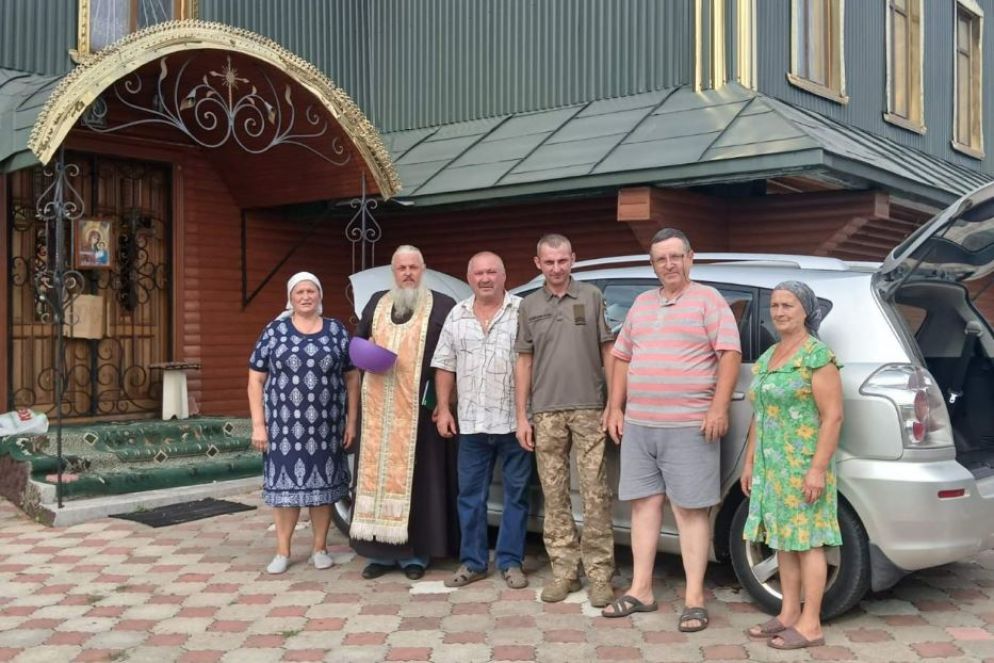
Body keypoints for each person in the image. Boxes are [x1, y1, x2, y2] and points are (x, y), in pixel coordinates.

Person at [603, 228, 741, 632]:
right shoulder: (642, 305)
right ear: (653, 265)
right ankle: (641, 590)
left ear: (690, 258)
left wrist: (718, 406)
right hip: (641, 425)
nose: (669, 265)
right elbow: (621, 357)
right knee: (643, 506)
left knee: (690, 511)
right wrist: (615, 406)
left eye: (675, 257)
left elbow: (729, 354)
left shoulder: (709, 300)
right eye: (661, 259)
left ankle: (695, 599)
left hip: (689, 425)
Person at [514, 233, 616, 608]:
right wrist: (522, 415)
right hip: (546, 412)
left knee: (595, 495)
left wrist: (613, 403)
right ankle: (564, 572)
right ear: (537, 263)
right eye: (549, 262)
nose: (557, 269)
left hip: (590, 409)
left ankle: (601, 575)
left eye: (563, 261)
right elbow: (524, 360)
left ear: (573, 259)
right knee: (554, 496)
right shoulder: (528, 306)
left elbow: (609, 351)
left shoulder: (591, 297)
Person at [742, 281, 843, 651]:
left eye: (789, 305)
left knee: (809, 543)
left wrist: (817, 469)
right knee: (784, 541)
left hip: (803, 466)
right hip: (773, 468)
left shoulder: (817, 355)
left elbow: (833, 417)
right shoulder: (771, 357)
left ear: (806, 311)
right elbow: (759, 415)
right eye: (776, 305)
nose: (780, 312)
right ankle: (787, 614)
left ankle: (811, 624)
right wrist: (750, 461)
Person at [350, 245, 459, 580]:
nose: (408, 273)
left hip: (421, 411)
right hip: (378, 413)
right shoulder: (377, 302)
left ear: (423, 269)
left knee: (422, 481)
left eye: (414, 267)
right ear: (393, 272)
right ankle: (379, 553)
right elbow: (358, 346)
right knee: (378, 480)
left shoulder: (442, 305)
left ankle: (417, 555)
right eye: (402, 268)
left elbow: (453, 357)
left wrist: (445, 405)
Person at [247, 271, 359, 574]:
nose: (306, 297)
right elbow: (256, 379)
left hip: (327, 427)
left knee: (323, 493)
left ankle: (320, 548)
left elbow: (352, 378)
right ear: (291, 297)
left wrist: (351, 422)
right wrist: (259, 425)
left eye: (311, 291)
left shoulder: (336, 331)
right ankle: (283, 551)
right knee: (285, 494)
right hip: (283, 429)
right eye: (300, 292)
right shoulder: (275, 331)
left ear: (320, 295)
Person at [432, 251, 532, 590]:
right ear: (470, 276)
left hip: (515, 423)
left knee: (516, 496)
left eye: (492, 272)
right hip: (472, 423)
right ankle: (473, 562)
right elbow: (445, 364)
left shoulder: (523, 311)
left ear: (504, 276)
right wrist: (444, 408)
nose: (485, 278)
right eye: (479, 273)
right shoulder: (456, 315)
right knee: (470, 496)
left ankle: (510, 561)